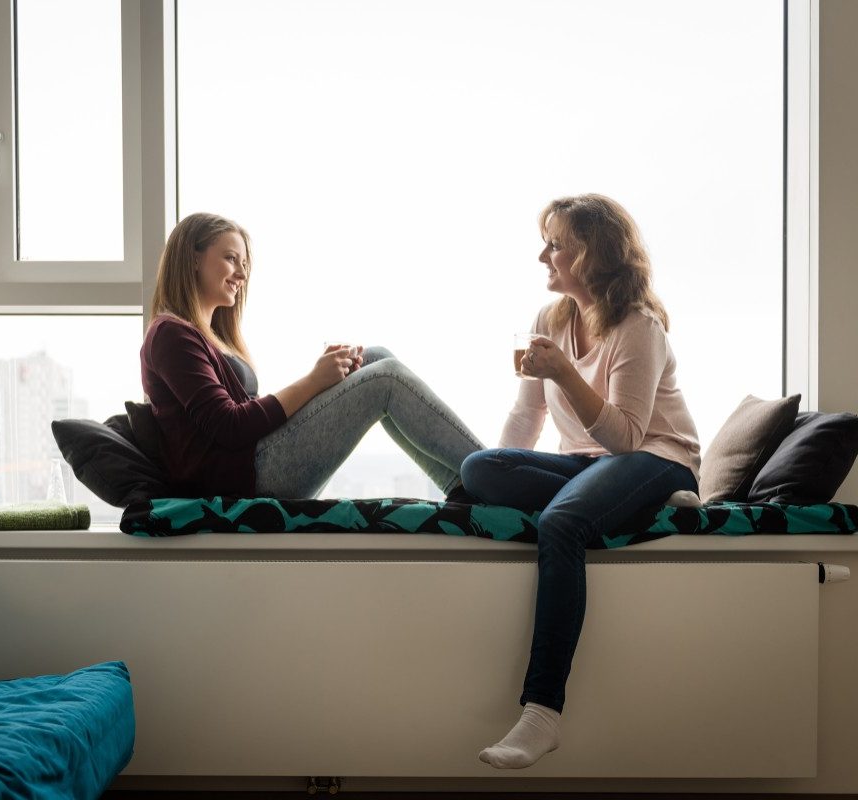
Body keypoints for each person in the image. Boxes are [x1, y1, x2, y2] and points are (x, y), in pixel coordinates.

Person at [461, 194, 701, 769]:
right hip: (589, 466)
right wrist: (488, 477)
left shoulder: (638, 327)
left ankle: (542, 713)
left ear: (592, 252)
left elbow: (624, 437)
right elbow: (526, 418)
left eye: (556, 243)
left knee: (563, 520)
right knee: (478, 469)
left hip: (657, 455)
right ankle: (640, 508)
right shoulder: (549, 320)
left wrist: (565, 372)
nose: (543, 254)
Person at [141, 211, 483, 500]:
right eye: (231, 258)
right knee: (386, 378)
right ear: (193, 257)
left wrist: (324, 382)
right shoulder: (171, 335)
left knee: (375, 358)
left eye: (245, 264)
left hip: (254, 463)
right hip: (244, 479)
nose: (243, 275)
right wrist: (314, 381)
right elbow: (230, 426)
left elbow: (246, 420)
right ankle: (499, 475)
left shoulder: (206, 336)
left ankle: (462, 490)